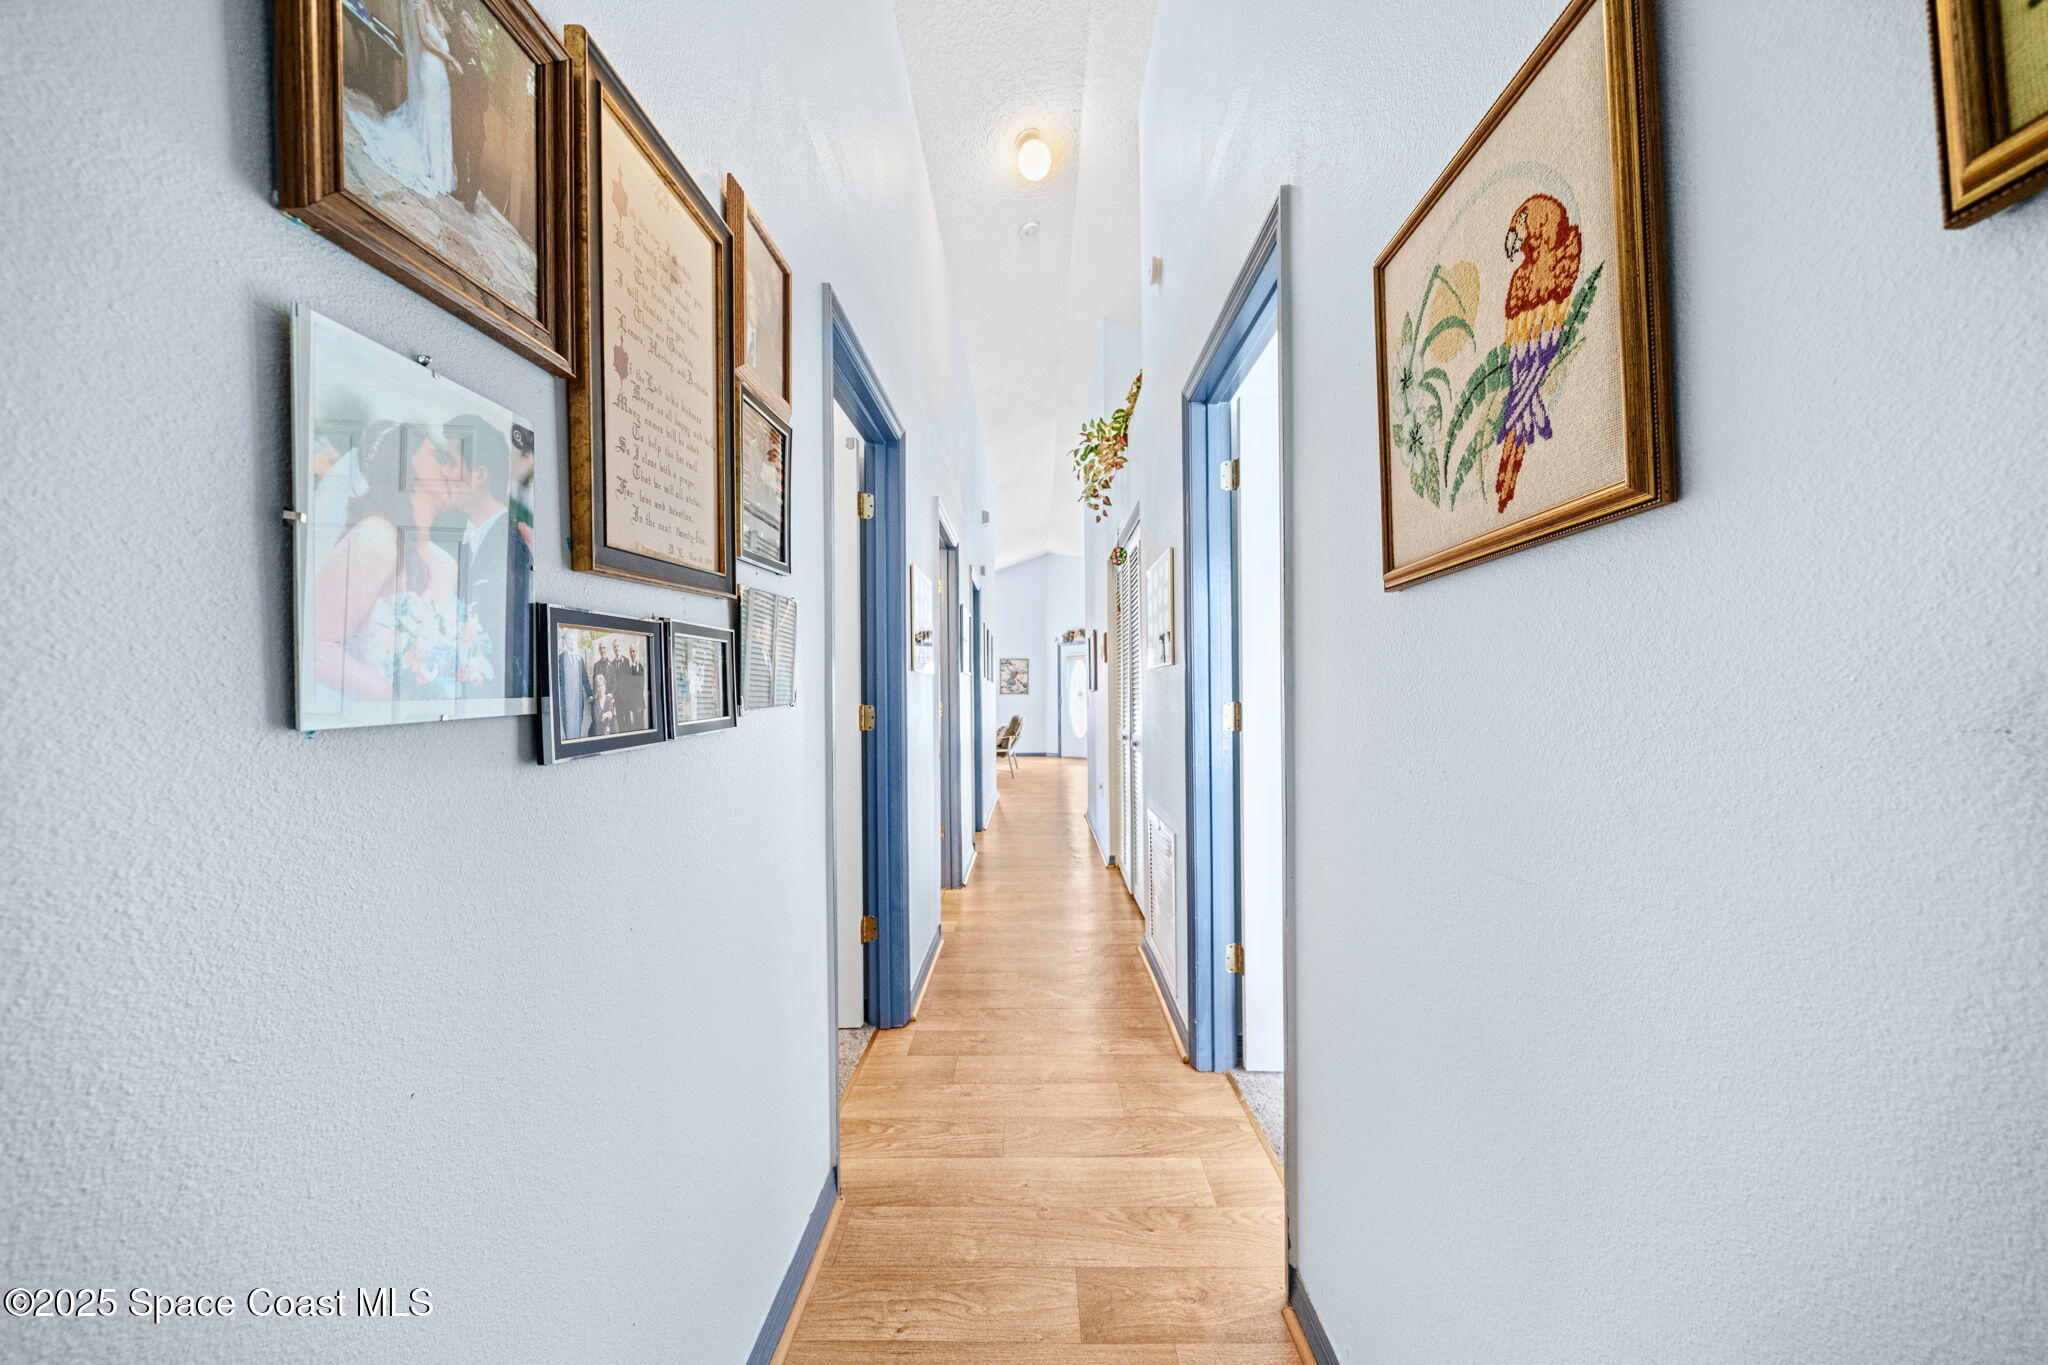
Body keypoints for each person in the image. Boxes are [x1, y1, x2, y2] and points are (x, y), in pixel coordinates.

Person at [312, 421, 479, 706]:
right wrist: (396, 702)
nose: (447, 471)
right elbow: (318, 647)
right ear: (403, 465)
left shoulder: (445, 564)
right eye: (435, 457)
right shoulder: (375, 538)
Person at [445, 415, 531, 702]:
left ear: (479, 475)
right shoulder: (461, 537)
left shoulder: (516, 541)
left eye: (450, 461)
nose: (444, 473)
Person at [346, 0, 458, 200]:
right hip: (431, 68)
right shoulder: (420, 5)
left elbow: (447, 31)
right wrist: (449, 59)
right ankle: (425, 160)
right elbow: (425, 39)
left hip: (442, 75)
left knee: (440, 118)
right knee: (429, 114)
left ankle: (437, 167)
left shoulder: (437, 11)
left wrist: (439, 17)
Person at [590, 673, 617, 737]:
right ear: (596, 688)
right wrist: (606, 715)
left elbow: (610, 720)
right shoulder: (594, 701)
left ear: (605, 686)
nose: (600, 688)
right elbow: (596, 720)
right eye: (598, 686)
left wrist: (608, 716)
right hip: (596, 732)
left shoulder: (608, 699)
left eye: (602, 685)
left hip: (608, 730)